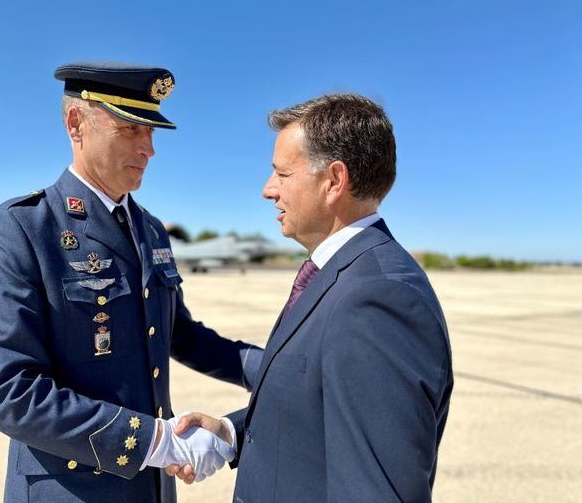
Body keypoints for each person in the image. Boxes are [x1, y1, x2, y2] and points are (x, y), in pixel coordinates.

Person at [0, 61, 262, 502]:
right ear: (76, 124)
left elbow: (179, 334)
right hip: (72, 489)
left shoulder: (150, 229)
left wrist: (275, 368)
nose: (149, 149)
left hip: (152, 487)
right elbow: (11, 391)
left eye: (152, 133)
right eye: (130, 129)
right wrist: (154, 441)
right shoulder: (25, 229)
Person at [169, 93, 454, 502]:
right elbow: (316, 406)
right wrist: (233, 432)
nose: (268, 190)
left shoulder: (378, 298)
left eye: (282, 174)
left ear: (334, 181)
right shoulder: (339, 275)